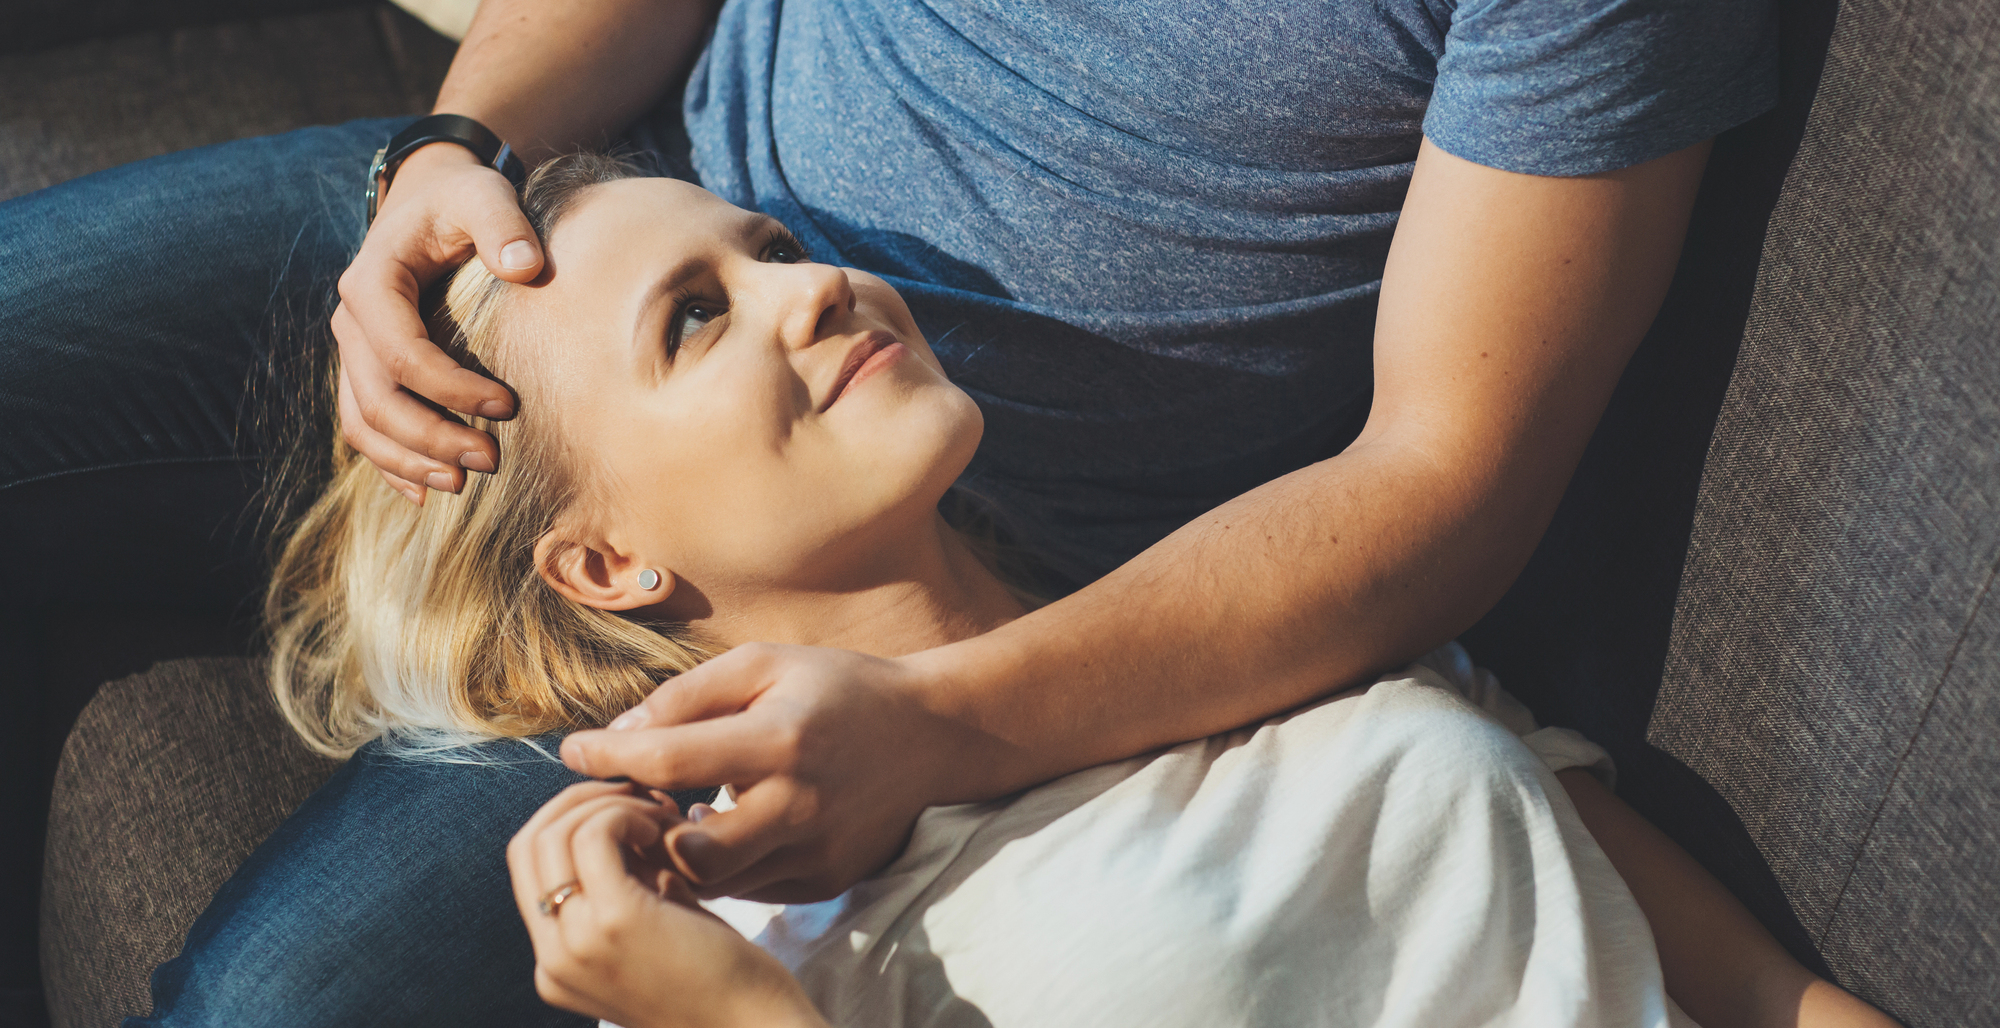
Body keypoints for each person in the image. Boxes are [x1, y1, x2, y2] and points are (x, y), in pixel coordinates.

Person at [0, 0, 1819, 1023]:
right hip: (593, 227)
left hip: (872, 545)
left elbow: (1450, 478)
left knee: (286, 1008)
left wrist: (940, 722)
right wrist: (457, 151)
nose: (830, 279)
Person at [291, 156, 1892, 1028]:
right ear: (606, 564)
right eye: (697, 318)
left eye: (770, 244)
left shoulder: (1259, 625)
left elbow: (1760, 997)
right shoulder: (739, 953)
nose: (816, 282)